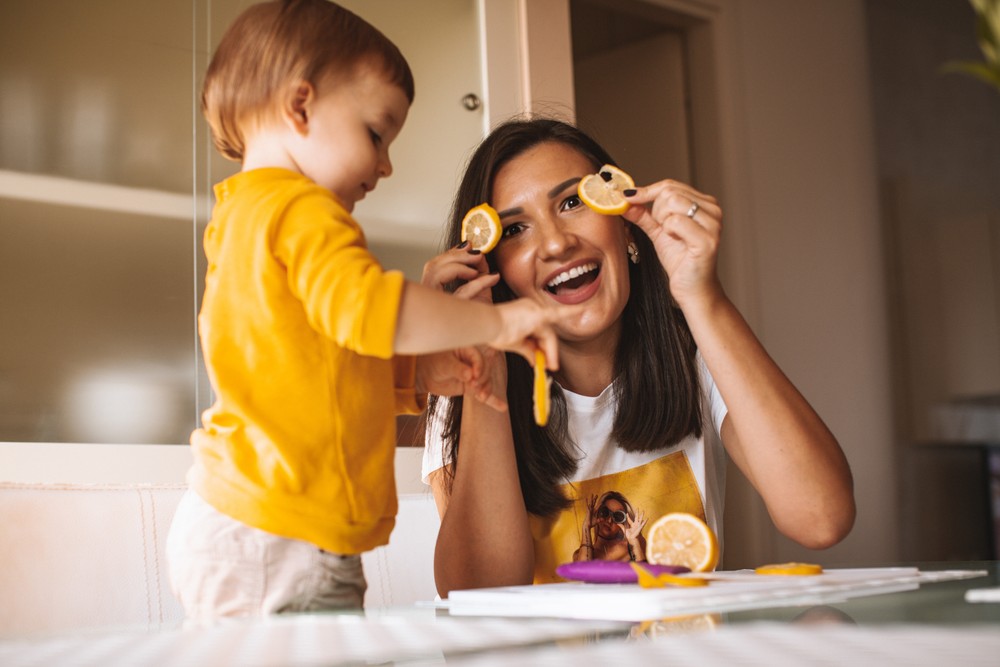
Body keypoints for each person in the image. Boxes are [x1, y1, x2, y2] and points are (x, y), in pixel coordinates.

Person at [166, 1, 566, 621]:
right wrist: (500, 322)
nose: (385, 165)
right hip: (279, 531)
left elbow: (318, 360)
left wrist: (421, 374)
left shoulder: (250, 214)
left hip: (250, 520)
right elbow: (370, 308)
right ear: (301, 106)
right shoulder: (302, 211)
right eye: (376, 134)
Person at [421, 117, 856, 594]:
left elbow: (822, 518)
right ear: (494, 272)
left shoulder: (694, 355)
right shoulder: (467, 388)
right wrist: (484, 361)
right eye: (515, 229)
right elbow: (475, 595)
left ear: (625, 227)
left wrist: (702, 296)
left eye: (572, 203)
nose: (556, 243)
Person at [572, 491, 647, 563]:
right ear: (597, 514)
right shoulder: (580, 554)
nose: (609, 520)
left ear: (623, 523)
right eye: (605, 512)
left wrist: (634, 542)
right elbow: (584, 569)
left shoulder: (633, 545)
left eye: (617, 516)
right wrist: (586, 527)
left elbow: (645, 571)